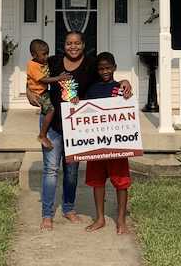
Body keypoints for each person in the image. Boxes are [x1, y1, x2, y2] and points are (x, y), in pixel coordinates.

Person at [39, 31, 133, 231]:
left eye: (77, 43)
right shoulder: (54, 61)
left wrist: (126, 82)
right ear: (63, 45)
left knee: (72, 171)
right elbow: (37, 79)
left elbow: (110, 84)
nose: (73, 47)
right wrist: (31, 92)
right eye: (68, 43)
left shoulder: (90, 66)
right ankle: (47, 215)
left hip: (80, 130)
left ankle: (69, 208)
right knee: (51, 170)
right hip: (54, 122)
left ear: (83, 45)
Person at [82, 52, 132, 235]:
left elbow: (128, 108)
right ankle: (100, 218)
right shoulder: (92, 89)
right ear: (97, 70)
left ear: (114, 68)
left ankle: (121, 220)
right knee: (97, 181)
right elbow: (83, 112)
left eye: (108, 68)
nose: (105, 71)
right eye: (101, 68)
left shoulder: (120, 88)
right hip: (96, 144)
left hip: (117, 143)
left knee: (121, 181)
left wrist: (126, 84)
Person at [25, 39, 57, 150]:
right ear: (34, 54)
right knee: (51, 110)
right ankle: (42, 135)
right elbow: (43, 80)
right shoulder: (32, 65)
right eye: (44, 54)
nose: (46, 56)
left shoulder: (42, 62)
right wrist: (59, 78)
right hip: (38, 93)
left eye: (47, 53)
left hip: (43, 91)